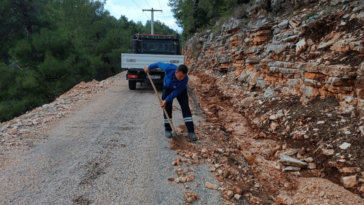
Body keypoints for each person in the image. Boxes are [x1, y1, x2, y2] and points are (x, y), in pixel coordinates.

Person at [144, 62, 197, 141]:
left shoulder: (185, 79)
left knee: (185, 108)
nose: (182, 78)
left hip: (180, 90)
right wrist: (149, 68)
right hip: (168, 87)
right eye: (181, 76)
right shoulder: (169, 67)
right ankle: (168, 129)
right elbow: (158, 64)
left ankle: (191, 132)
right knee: (167, 108)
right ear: (176, 72)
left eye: (184, 76)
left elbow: (176, 92)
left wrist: (166, 100)